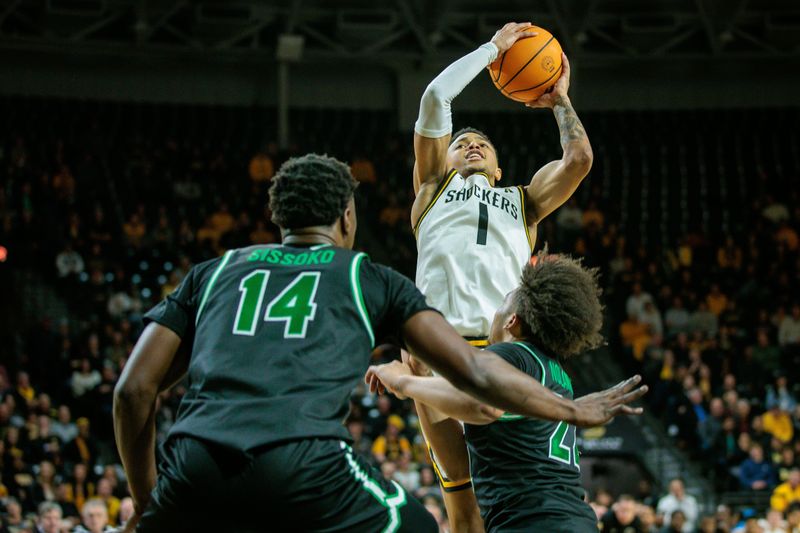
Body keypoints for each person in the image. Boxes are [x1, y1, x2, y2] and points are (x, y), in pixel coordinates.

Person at [114, 154, 646, 532]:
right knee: (413, 524)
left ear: (280, 216)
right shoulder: (365, 277)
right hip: (304, 460)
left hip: (194, 462)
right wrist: (569, 409)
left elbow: (134, 392)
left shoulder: (214, 271)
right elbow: (478, 379)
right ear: (347, 217)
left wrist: (147, 500)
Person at [410, 21, 594, 529]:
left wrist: (559, 99)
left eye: (482, 145)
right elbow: (435, 96)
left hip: (506, 353)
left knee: (519, 490)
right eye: (461, 142)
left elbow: (578, 159)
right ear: (443, 158)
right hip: (439, 347)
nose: (471, 145)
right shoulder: (431, 190)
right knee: (463, 506)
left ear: (497, 167)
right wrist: (493, 50)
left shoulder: (524, 202)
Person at [366, 253, 642, 532]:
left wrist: (402, 382)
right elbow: (461, 462)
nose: (493, 314)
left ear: (512, 321)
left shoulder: (513, 354)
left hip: (536, 524)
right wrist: (420, 380)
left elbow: (483, 406)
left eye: (500, 305)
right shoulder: (555, 374)